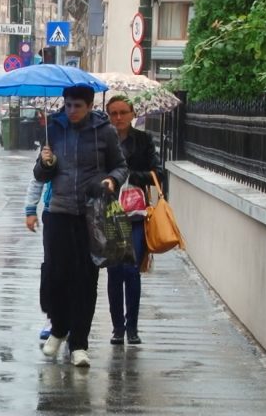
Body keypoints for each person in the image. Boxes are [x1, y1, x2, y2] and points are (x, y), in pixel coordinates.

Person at [34, 85, 128, 367]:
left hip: (90, 215)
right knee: (55, 275)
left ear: (89, 106)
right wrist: (45, 163)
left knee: (86, 280)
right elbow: (40, 174)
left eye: (77, 106)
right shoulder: (54, 128)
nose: (72, 111)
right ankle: (58, 328)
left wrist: (112, 180)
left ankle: (79, 344)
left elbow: (120, 166)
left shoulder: (104, 131)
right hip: (58, 212)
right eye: (68, 105)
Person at [105, 95, 164, 346]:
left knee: (131, 270)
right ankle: (117, 328)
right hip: (109, 213)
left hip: (136, 215)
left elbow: (158, 173)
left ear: (132, 114)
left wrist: (131, 175)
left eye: (123, 112)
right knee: (114, 271)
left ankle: (132, 327)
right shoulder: (102, 140)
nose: (118, 117)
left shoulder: (143, 139)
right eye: (113, 113)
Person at [24, 178, 53, 340]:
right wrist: (30, 209)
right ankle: (52, 317)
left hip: (83, 213)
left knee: (78, 269)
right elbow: (38, 177)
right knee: (52, 268)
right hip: (54, 211)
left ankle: (74, 320)